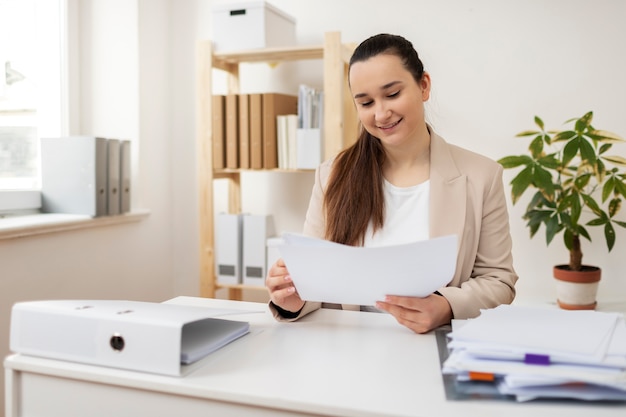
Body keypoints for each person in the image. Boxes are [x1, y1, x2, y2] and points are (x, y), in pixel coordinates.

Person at [265, 33, 518, 334]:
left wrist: (446, 307)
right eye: (366, 102)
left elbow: (499, 282)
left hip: (433, 350)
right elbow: (314, 282)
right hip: (347, 351)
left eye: (393, 94)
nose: (381, 113)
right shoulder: (332, 174)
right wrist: (292, 297)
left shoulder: (481, 176)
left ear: (423, 85)